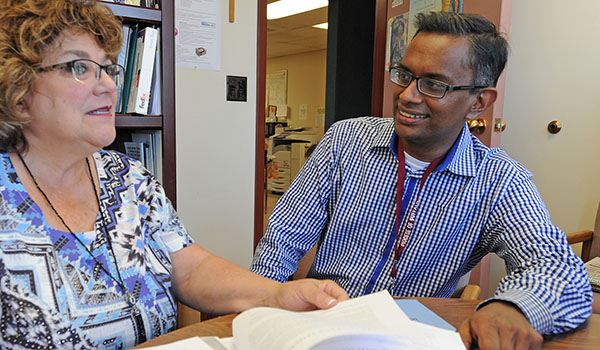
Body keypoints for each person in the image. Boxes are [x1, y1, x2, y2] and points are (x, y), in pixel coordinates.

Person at [0, 1, 348, 348]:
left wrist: (277, 294)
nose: (107, 85)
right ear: (17, 88)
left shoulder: (129, 178)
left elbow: (191, 269)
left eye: (108, 69)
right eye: (79, 67)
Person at [251, 11, 593, 349]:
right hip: (321, 328)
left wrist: (512, 307)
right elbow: (282, 240)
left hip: (412, 338)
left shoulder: (499, 180)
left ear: (479, 102)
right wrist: (259, 312)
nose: (408, 95)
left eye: (433, 84)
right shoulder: (345, 141)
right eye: (404, 75)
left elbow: (559, 272)